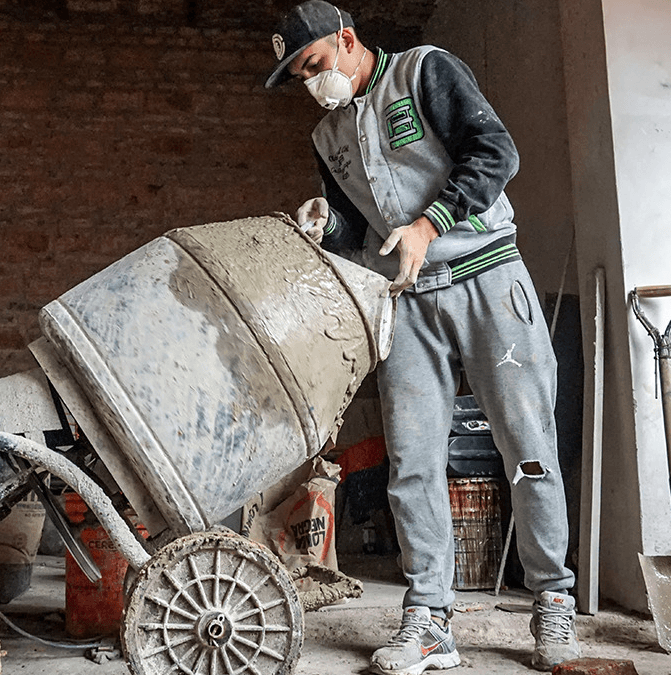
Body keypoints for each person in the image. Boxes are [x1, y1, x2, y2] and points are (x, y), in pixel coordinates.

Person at [263, 2, 580, 673]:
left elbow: (497, 151)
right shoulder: (327, 137)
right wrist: (327, 228)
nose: (313, 84)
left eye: (316, 65)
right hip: (406, 299)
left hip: (487, 274)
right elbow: (359, 232)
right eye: (299, 77)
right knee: (410, 462)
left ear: (345, 40)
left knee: (527, 445)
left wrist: (431, 224)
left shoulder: (424, 71)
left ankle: (553, 598)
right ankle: (429, 618)